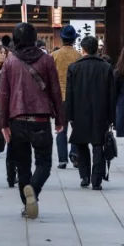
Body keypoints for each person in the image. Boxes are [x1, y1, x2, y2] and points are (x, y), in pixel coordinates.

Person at [0, 22, 64, 220]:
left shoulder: (10, 62)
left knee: (23, 165)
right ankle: (33, 190)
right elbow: (55, 91)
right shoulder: (46, 60)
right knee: (44, 163)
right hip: (41, 118)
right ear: (34, 38)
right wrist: (60, 118)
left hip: (17, 119)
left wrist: (3, 124)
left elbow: (4, 95)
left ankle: (27, 204)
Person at [65, 37, 115, 190]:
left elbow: (70, 94)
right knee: (98, 145)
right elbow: (112, 95)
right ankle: (97, 180)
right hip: (101, 112)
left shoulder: (74, 68)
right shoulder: (106, 67)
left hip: (79, 112)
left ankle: (84, 176)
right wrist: (112, 117)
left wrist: (69, 115)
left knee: (81, 144)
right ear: (96, 49)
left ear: (83, 49)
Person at [50, 25, 80, 170]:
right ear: (74, 40)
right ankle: (74, 153)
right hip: (75, 97)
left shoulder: (54, 56)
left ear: (62, 39)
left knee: (61, 128)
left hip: (59, 96)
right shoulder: (79, 56)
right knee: (77, 127)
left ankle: (62, 159)